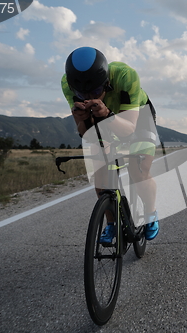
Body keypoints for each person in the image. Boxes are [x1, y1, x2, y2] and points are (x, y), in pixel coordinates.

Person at [61, 46, 159, 242]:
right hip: (102, 117)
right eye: (82, 94)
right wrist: (82, 119)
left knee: (138, 169)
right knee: (100, 171)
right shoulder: (67, 83)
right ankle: (111, 223)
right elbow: (86, 134)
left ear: (107, 83)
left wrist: (106, 114)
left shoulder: (126, 76)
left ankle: (150, 214)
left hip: (137, 117)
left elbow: (129, 128)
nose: (90, 97)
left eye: (96, 91)